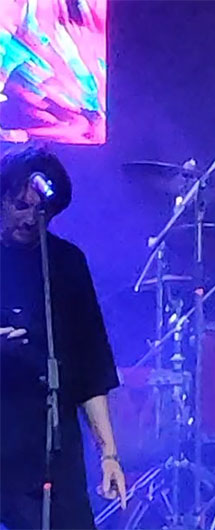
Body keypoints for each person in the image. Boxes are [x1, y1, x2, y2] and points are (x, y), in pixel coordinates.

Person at [0, 145, 126, 529]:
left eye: (42, 211)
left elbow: (91, 365)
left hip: (51, 444)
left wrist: (109, 454)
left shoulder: (66, 262)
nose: (30, 219)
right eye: (20, 206)